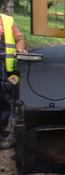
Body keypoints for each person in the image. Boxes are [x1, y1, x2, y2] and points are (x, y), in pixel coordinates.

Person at [0, 13, 27, 149]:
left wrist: (20, 48)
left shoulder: (7, 20)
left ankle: (1, 135)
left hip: (4, 68)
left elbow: (19, 39)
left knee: (4, 99)